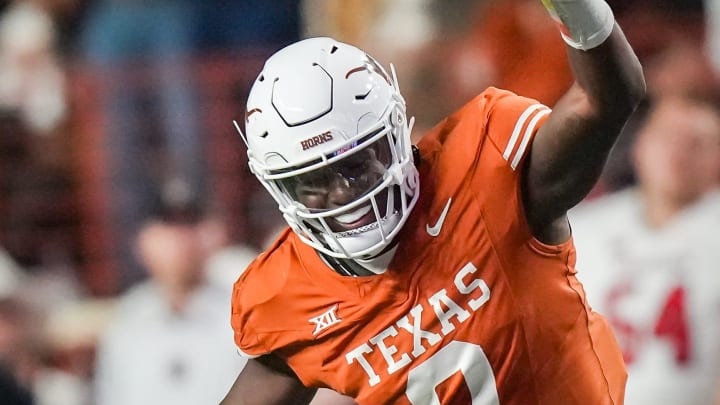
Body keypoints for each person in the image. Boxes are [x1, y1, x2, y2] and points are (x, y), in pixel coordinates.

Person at [223, 0, 646, 403]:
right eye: (311, 181)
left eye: (354, 164)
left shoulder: (486, 167)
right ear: (280, 188)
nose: (341, 193)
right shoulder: (285, 300)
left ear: (393, 135)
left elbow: (606, 99)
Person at [569, 95, 720, 405]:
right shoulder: (582, 226)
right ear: (639, 144)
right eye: (668, 137)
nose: (679, 153)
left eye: (697, 142)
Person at [93, 203, 245, 405]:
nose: (180, 239)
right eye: (167, 225)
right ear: (143, 240)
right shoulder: (127, 319)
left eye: (190, 224)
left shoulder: (242, 310)